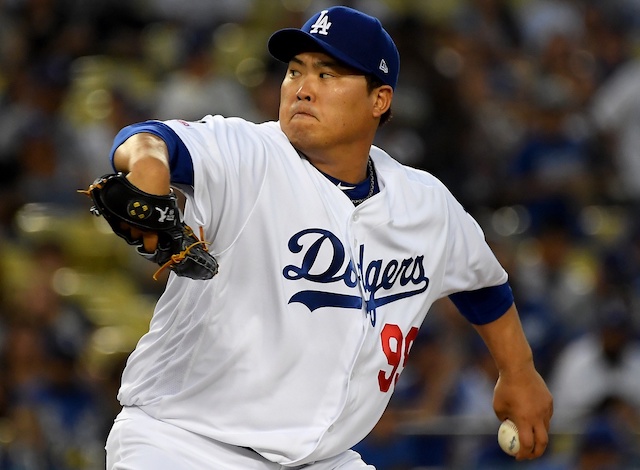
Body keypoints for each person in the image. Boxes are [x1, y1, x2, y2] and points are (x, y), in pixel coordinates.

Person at [101, 6, 553, 469]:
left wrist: (518, 372)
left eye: (327, 73)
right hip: (183, 444)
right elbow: (151, 138)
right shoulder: (249, 155)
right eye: (295, 70)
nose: (303, 86)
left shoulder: (424, 204)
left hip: (323, 459)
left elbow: (484, 286)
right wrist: (150, 168)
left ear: (379, 100)